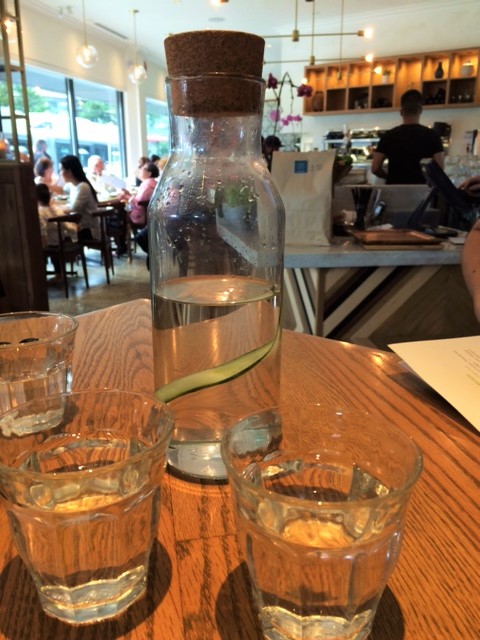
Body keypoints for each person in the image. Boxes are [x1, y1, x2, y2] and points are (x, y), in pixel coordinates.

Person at [371, 89, 444, 184]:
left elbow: (375, 168)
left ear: (401, 112)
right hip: (422, 189)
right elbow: (440, 169)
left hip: (394, 189)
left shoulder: (388, 136)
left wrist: (388, 177)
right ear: (421, 111)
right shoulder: (433, 135)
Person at [36, 183, 77, 278]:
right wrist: (75, 229)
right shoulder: (57, 209)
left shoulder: (39, 212)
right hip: (63, 241)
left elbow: (43, 232)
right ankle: (59, 273)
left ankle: (44, 275)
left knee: (39, 246)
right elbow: (67, 226)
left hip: (51, 244)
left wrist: (44, 246)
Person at [59, 155, 100, 241]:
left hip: (88, 229)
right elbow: (61, 191)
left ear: (69, 172)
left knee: (59, 236)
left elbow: (74, 208)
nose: (60, 173)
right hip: (79, 227)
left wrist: (59, 208)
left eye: (61, 170)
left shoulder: (82, 186)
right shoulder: (72, 185)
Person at [122, 161, 159, 227]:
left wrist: (127, 196)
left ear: (149, 173)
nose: (141, 170)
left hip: (141, 215)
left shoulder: (146, 184)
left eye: (143, 168)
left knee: (121, 211)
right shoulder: (154, 183)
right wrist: (128, 194)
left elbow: (139, 202)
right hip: (151, 214)